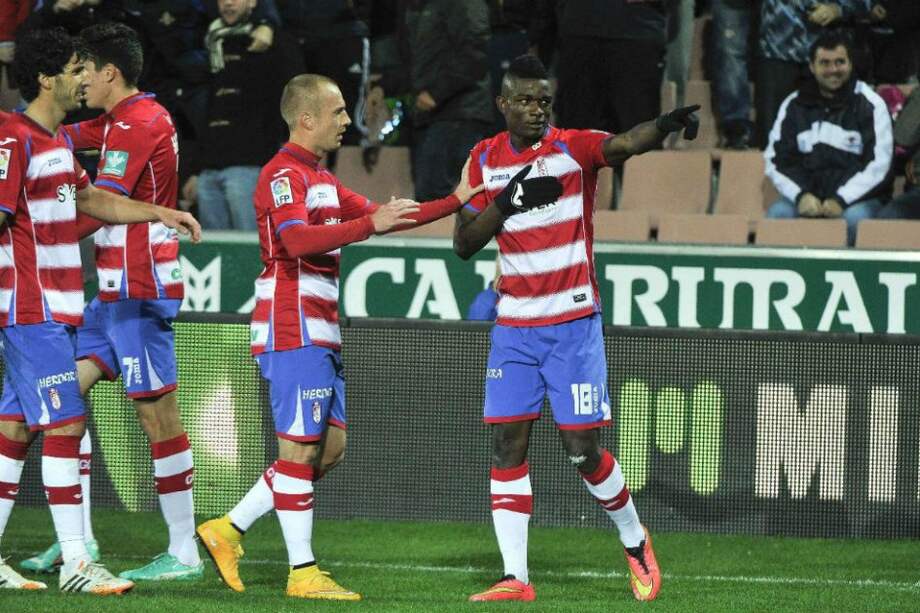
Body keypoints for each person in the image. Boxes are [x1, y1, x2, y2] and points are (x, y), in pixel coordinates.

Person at [195, 73, 492, 601]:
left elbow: (391, 216)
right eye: (337, 112)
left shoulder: (322, 180)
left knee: (329, 450)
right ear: (307, 118)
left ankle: (228, 529)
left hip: (322, 329)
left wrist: (456, 199)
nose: (347, 121)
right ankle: (302, 572)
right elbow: (295, 241)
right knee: (298, 450)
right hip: (293, 325)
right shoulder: (281, 175)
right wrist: (368, 225)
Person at [453, 54, 699, 603]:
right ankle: (516, 576)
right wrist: (508, 203)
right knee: (506, 444)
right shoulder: (481, 160)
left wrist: (665, 123)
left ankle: (635, 540)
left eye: (544, 100)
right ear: (503, 103)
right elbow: (465, 243)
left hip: (572, 326)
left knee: (582, 449)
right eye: (525, 100)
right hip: (514, 326)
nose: (537, 110)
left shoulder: (573, 148)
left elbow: (624, 145)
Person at [0, 26, 200, 594]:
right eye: (73, 67)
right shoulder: (26, 138)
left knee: (26, 421)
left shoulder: (92, 133)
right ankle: (77, 555)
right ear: (48, 76)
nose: (82, 76)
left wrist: (155, 213)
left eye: (88, 67)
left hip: (99, 296)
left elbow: (90, 197)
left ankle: (158, 548)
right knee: (62, 417)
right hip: (50, 302)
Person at [764, 30, 893, 246]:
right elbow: (776, 161)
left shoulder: (871, 104)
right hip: (808, 197)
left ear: (850, 64)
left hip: (858, 200)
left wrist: (841, 199)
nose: (833, 69)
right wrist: (801, 195)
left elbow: (879, 164)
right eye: (825, 63)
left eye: (840, 62)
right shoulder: (793, 105)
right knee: (778, 215)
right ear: (812, 67)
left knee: (854, 219)